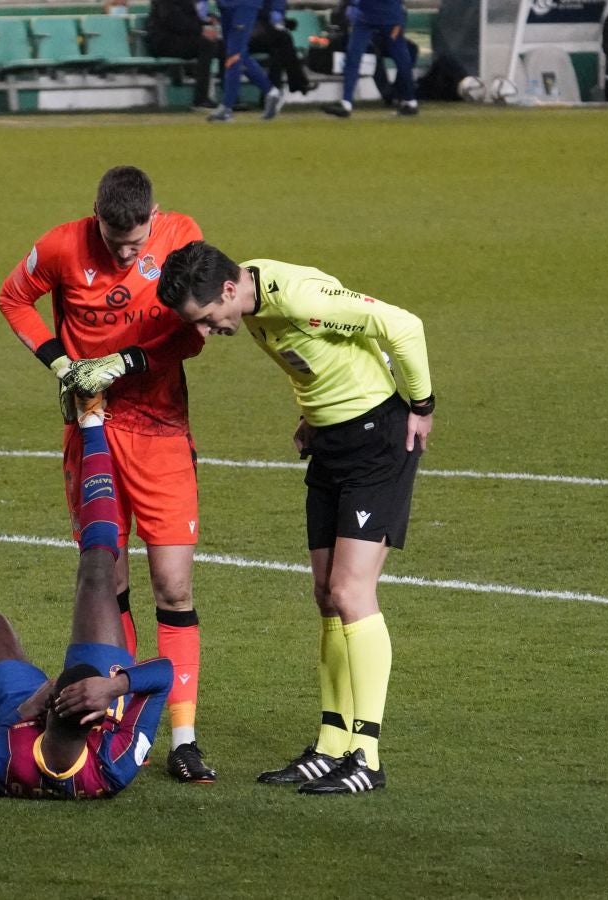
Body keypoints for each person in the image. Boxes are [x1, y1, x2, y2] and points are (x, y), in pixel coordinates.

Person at [157, 242, 435, 796]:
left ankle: (366, 754)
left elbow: (402, 325)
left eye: (209, 318)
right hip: (332, 442)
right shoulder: (252, 302)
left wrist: (422, 406)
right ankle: (332, 743)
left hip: (376, 441)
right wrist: (312, 417)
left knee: (352, 592)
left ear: (229, 291)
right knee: (325, 594)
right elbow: (315, 359)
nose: (209, 331)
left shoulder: (299, 296)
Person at [0, 166, 217, 783]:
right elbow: (12, 297)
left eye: (135, 243)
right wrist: (62, 365)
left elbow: (195, 331)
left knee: (172, 586)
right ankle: (115, 713)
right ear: (95, 213)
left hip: (162, 430)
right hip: (91, 431)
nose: (125, 253)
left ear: (155, 215)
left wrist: (126, 360)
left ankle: (183, 737)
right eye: (114, 241)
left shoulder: (181, 236)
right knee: (106, 577)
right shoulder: (62, 246)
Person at [0, 396, 175, 799]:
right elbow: (163, 676)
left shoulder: (3, 754)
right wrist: (113, 687)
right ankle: (93, 425)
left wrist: (27, 711)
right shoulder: (112, 766)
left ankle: (91, 422)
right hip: (70, 695)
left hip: (17, 711)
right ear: (98, 721)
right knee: (97, 570)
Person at [321, 0, 419, 118]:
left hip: (370, 17)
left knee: (353, 57)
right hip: (388, 17)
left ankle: (346, 103)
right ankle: (410, 101)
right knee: (401, 58)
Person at [209, 0, 286, 121]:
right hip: (225, 5)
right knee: (238, 55)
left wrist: (277, 9)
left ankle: (227, 106)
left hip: (245, 5)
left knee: (234, 55)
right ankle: (272, 92)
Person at [146, 0, 222, 109]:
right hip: (163, 42)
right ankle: (201, 99)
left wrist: (208, 21)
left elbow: (189, 19)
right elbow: (172, 21)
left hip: (181, 40)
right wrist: (201, 29)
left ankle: (230, 98)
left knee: (222, 46)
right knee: (207, 45)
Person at [250, 0, 316, 97]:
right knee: (284, 40)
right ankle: (297, 83)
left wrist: (281, 22)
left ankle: (273, 92)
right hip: (250, 33)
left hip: (260, 33)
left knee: (279, 49)